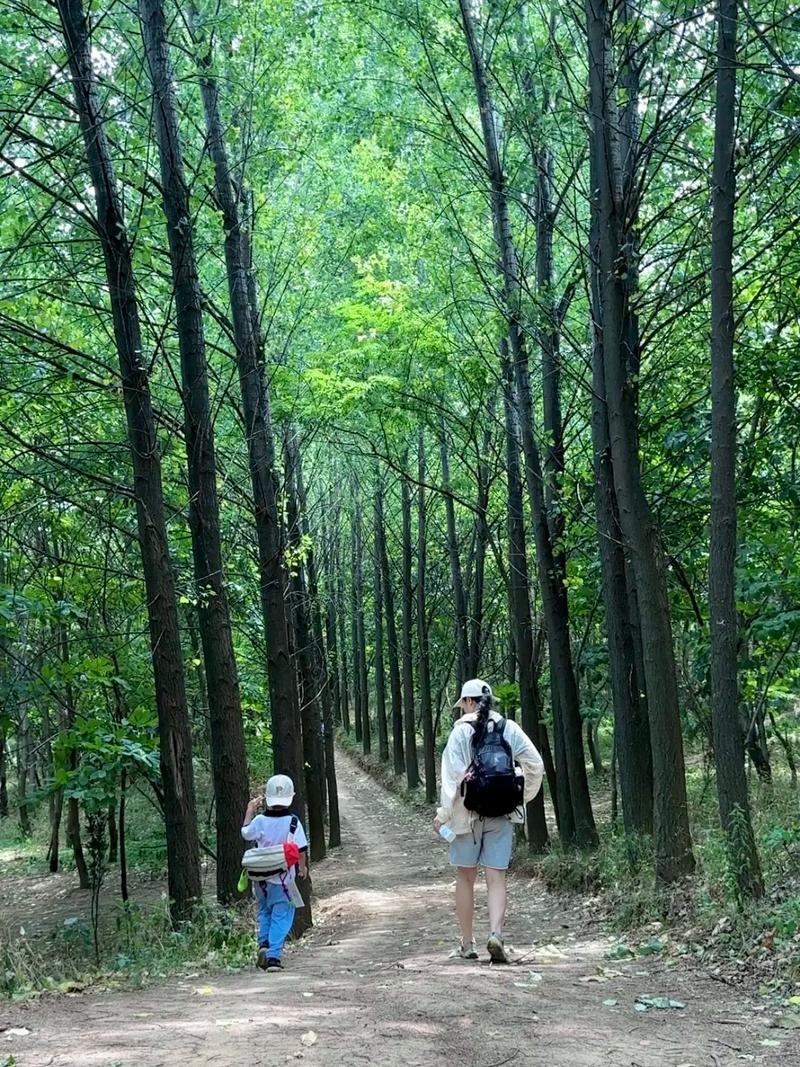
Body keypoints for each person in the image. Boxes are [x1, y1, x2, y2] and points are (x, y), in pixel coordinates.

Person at [434, 678, 544, 963]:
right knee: (496, 878)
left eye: (463, 704)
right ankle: (496, 934)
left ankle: (467, 943)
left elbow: (451, 781)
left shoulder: (460, 734)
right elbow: (536, 764)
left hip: (465, 817)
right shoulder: (510, 728)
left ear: (469, 702)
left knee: (465, 877)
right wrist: (522, 797)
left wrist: (443, 815)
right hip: (502, 813)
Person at [242, 773, 308, 972]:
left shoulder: (260, 821)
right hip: (283, 880)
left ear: (268, 797)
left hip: (260, 880)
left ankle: (263, 944)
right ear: (291, 797)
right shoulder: (293, 822)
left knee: (264, 911)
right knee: (282, 915)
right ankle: (273, 957)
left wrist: (249, 810)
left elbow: (245, 833)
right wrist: (303, 868)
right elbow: (301, 849)